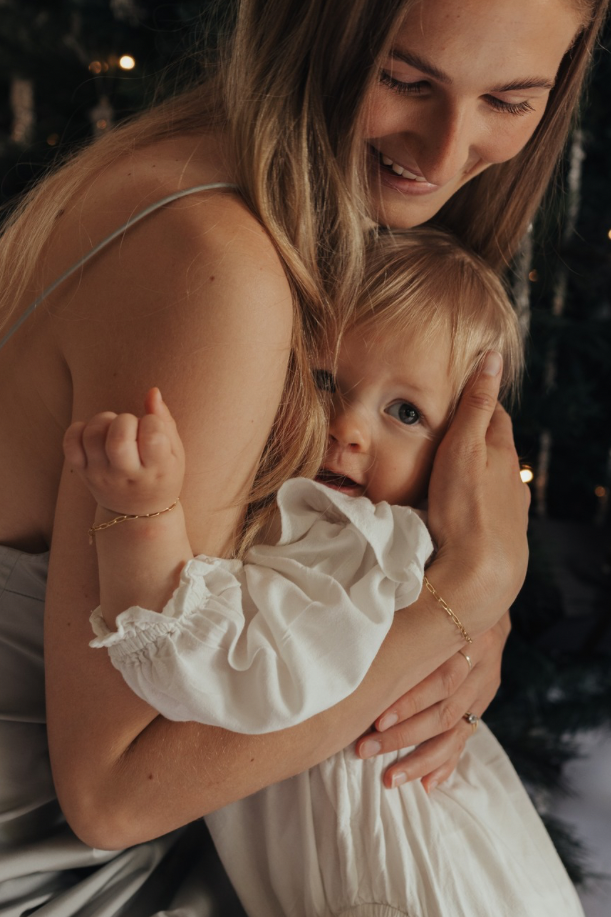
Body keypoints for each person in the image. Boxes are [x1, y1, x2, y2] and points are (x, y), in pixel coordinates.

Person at [0, 0, 607, 912]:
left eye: (509, 102)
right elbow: (116, 795)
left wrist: (448, 607)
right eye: (404, 80)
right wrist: (465, 594)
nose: (444, 157)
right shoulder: (219, 265)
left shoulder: (235, 180)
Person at [65, 228, 583, 916]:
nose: (346, 428)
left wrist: (144, 516)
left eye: (405, 411)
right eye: (323, 380)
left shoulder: (349, 543)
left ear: (455, 454)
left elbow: (218, 677)